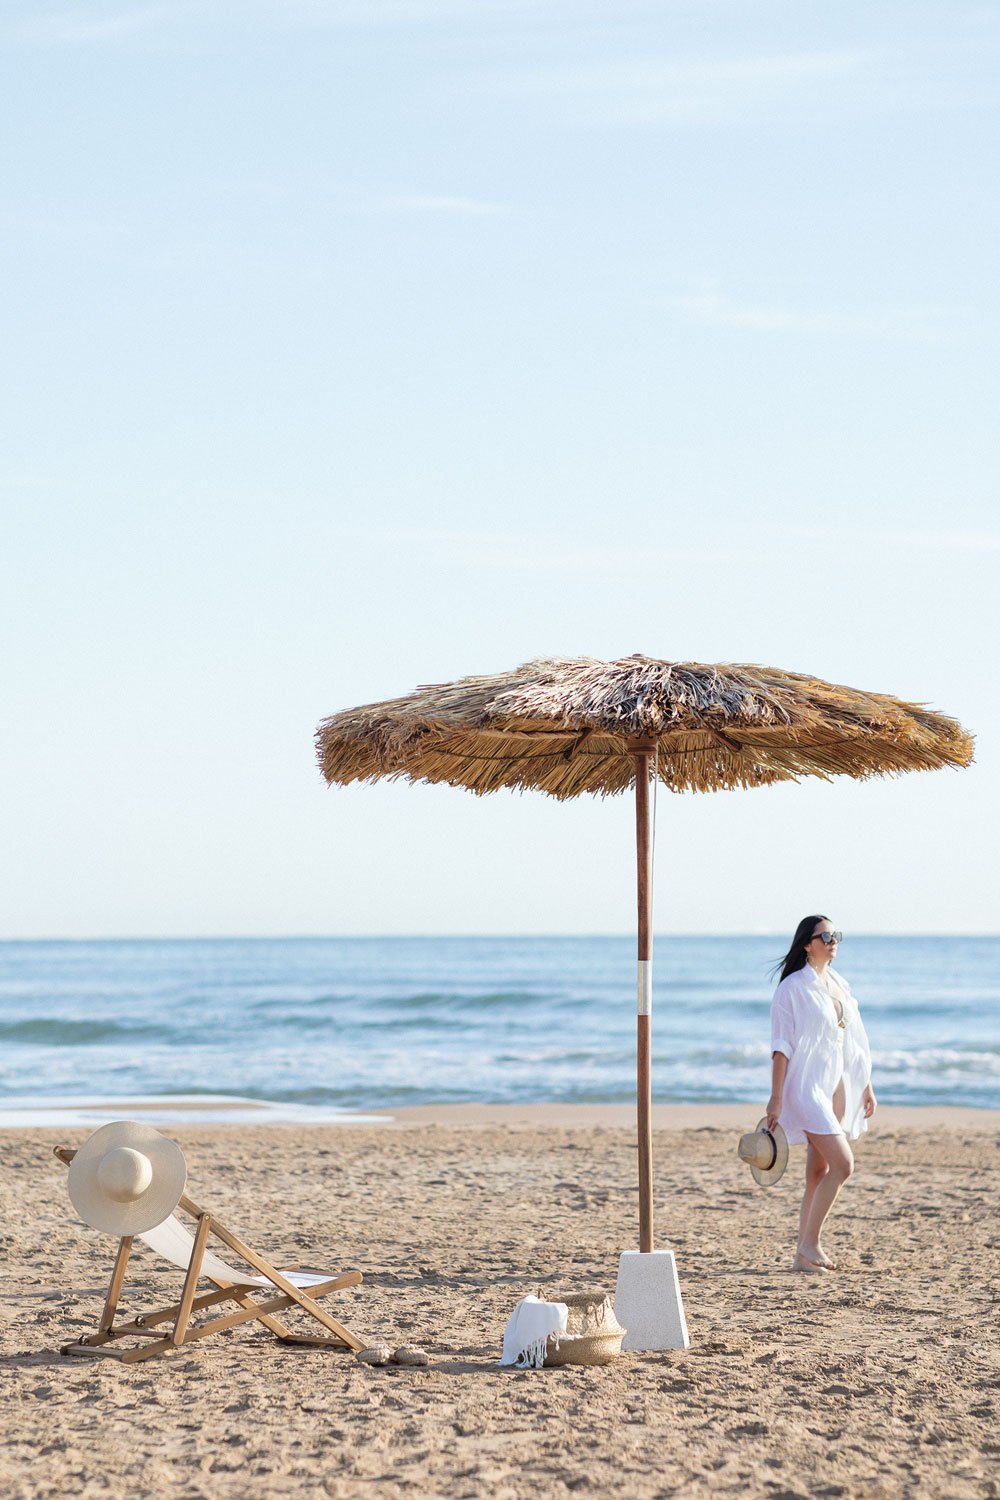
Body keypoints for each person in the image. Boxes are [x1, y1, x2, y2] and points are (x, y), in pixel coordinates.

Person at [765, 916, 877, 1272]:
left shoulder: (837, 983)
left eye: (836, 935)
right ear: (806, 944)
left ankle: (802, 1257)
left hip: (835, 1086)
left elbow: (850, 1041)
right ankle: (811, 1243)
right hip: (806, 1088)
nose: (833, 941)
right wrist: (776, 1098)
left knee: (818, 1170)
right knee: (844, 1165)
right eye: (826, 936)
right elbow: (781, 1046)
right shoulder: (791, 988)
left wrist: (865, 1085)